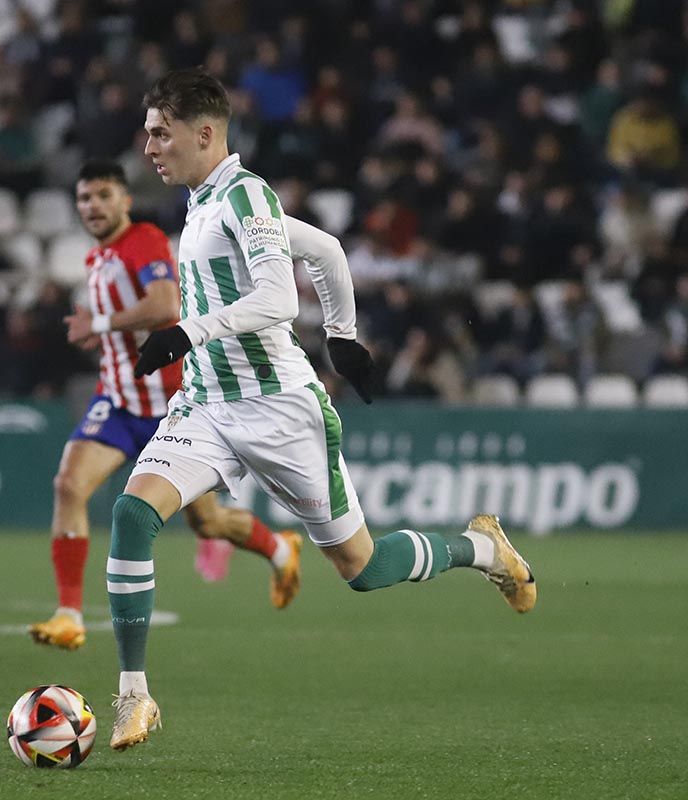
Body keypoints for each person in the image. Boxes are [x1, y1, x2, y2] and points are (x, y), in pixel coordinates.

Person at [105, 68, 536, 750]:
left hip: (279, 411)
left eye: (162, 133)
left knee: (363, 570)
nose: (149, 146)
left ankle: (482, 547)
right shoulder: (204, 200)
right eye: (149, 133)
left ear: (205, 133)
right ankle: (134, 696)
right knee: (132, 515)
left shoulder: (246, 197)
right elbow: (328, 250)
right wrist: (342, 335)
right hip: (209, 405)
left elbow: (278, 300)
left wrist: (191, 331)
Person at [28, 160, 303, 652]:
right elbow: (125, 326)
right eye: (85, 198)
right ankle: (69, 614)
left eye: (103, 196)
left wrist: (102, 323)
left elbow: (164, 307)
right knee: (68, 485)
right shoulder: (98, 258)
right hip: (116, 401)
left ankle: (281, 546)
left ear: (124, 200)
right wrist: (106, 336)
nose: (93, 206)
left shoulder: (145, 241)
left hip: (171, 407)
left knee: (208, 522)